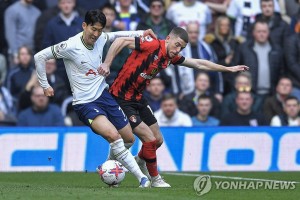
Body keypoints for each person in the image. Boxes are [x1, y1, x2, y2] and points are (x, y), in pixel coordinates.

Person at [99, 26, 248, 187]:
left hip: (138, 99)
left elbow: (198, 63)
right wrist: (107, 64)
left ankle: (139, 162)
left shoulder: (169, 57)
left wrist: (227, 69)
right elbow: (120, 41)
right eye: (177, 45)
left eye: (182, 48)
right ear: (168, 39)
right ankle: (155, 179)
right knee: (148, 139)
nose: (178, 50)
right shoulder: (152, 44)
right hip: (121, 98)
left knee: (157, 140)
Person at [34, 9, 157, 187]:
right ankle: (142, 178)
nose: (96, 34)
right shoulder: (70, 46)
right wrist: (45, 85)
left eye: (100, 30)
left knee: (129, 139)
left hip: (104, 96)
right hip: (84, 103)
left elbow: (116, 35)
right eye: (93, 29)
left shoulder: (101, 38)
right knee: (114, 136)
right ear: (84, 26)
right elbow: (39, 56)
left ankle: (107, 168)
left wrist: (140, 33)